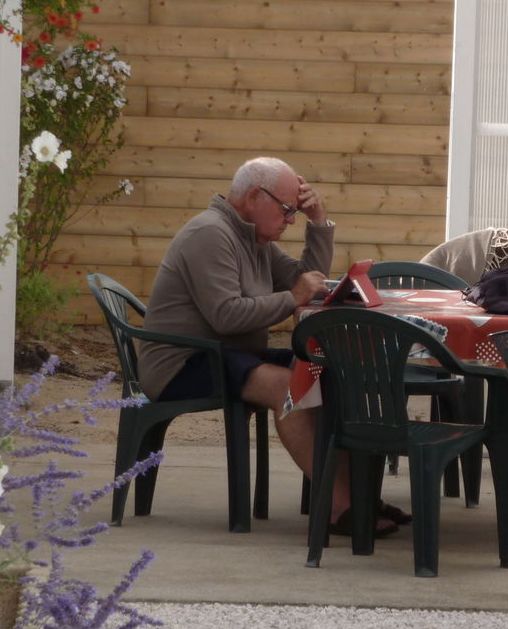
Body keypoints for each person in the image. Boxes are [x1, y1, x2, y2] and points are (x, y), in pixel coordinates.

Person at [140, 158, 404, 536]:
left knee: (324, 369)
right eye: (287, 210)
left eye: (295, 212)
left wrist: (319, 222)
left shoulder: (254, 239)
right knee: (289, 388)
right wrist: (292, 297)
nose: (291, 220)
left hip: (228, 354)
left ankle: (359, 495)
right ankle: (339, 507)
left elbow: (307, 282)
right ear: (254, 197)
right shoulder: (210, 234)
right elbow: (226, 316)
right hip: (182, 362)